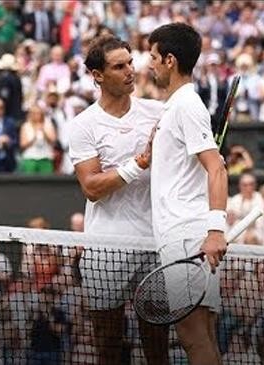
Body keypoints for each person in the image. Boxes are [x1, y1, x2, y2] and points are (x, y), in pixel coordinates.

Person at [66, 35, 168, 364]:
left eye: (131, 64)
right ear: (97, 75)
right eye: (119, 66)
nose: (130, 72)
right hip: (105, 248)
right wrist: (139, 163)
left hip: (155, 245)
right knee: (108, 344)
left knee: (157, 346)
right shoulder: (83, 125)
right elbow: (92, 187)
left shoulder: (158, 112)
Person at [147, 22, 229, 364]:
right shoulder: (177, 106)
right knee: (203, 338)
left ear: (169, 60)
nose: (148, 63)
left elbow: (217, 168)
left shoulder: (186, 105)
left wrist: (215, 230)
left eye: (152, 56)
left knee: (193, 339)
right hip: (184, 235)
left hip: (186, 237)